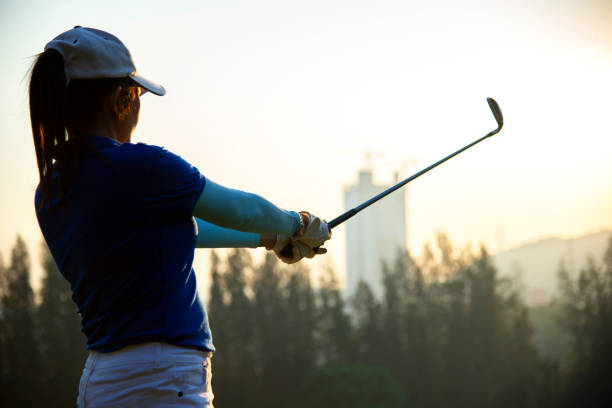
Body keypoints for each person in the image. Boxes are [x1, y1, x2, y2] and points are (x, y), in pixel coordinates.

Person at [29, 26, 331, 408]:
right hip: (161, 380)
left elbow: (179, 231)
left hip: (102, 381)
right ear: (120, 99)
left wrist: (270, 239)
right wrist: (297, 224)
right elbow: (242, 209)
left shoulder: (51, 190)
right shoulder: (142, 167)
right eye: (137, 94)